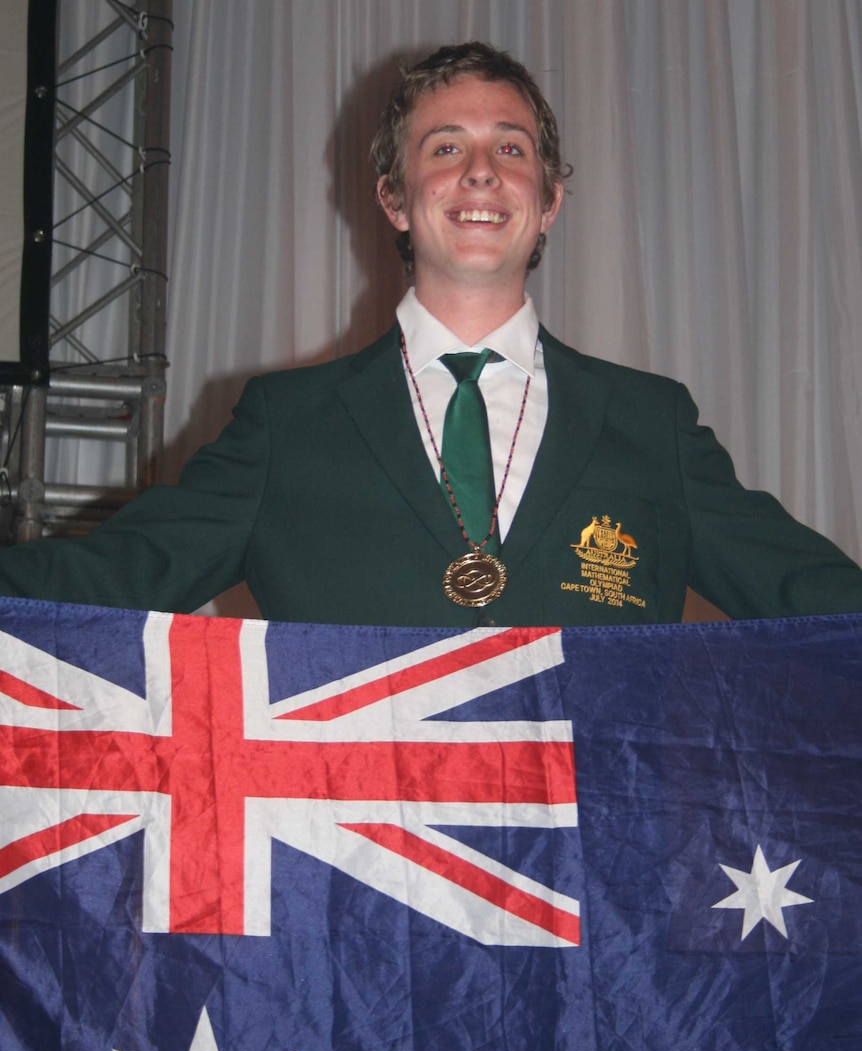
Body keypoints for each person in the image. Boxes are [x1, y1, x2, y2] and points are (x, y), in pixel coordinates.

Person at [0, 41, 861, 627]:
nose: (482, 170)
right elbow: (102, 584)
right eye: (445, 148)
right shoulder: (285, 425)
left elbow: (817, 600)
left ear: (551, 200)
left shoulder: (652, 424)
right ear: (393, 198)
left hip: (597, 882)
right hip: (363, 882)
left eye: (512, 149)